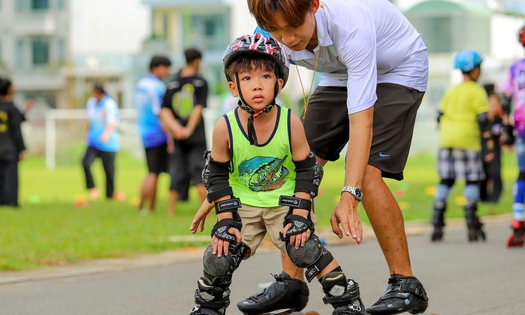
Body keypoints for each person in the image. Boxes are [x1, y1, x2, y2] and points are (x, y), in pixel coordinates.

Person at [246, 0, 429, 314]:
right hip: (338, 73)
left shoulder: (351, 25)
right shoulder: (267, 38)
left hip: (398, 70)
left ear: (314, 5)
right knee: (293, 171)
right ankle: (292, 284)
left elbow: (362, 119)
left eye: (293, 27)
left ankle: (406, 284)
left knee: (368, 176)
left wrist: (349, 194)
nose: (287, 38)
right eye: (276, 30)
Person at [189, 33, 366, 315]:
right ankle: (208, 305)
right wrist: (224, 220)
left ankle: (346, 299)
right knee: (220, 253)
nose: (257, 85)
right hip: (244, 203)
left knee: (303, 246)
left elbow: (307, 170)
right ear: (233, 87)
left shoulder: (289, 122)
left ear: (279, 83)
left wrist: (299, 215)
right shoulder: (225, 127)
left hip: (285, 201)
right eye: (246, 79)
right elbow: (218, 174)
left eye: (265, 77)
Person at [430, 50, 491, 243]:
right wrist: (488, 139)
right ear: (474, 70)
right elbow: (482, 119)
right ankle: (470, 216)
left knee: (446, 179)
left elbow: (439, 115)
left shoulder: (452, 89)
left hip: (447, 140)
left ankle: (438, 217)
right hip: (468, 140)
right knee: (472, 180)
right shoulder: (477, 91)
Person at [160, 48, 208, 216]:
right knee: (200, 172)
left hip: (177, 136)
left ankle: (170, 213)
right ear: (197, 61)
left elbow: (164, 111)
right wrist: (187, 130)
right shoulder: (200, 82)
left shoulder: (172, 82)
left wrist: (176, 129)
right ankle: (207, 212)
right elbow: (198, 108)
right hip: (195, 136)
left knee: (176, 173)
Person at [135, 55, 172, 213]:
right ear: (156, 67)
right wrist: (170, 136)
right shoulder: (157, 87)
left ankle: (141, 205)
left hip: (144, 132)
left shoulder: (141, 84)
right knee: (154, 173)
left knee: (150, 171)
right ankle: (150, 208)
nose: (168, 72)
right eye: (165, 68)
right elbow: (161, 113)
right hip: (158, 134)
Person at [0, 76, 27, 207]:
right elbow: (16, 130)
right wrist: (22, 149)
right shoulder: (11, 108)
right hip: (9, 149)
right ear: (9, 89)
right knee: (10, 177)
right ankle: (11, 202)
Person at [501, 24, 525, 248]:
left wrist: (506, 129)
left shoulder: (516, 68)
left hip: (521, 128)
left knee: (522, 174)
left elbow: (506, 99)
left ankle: (518, 220)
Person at [81, 82, 120, 201]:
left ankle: (109, 196)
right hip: (93, 142)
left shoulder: (109, 104)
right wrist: (86, 132)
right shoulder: (91, 103)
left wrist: (106, 135)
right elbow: (89, 119)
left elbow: (112, 122)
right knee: (85, 163)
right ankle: (93, 188)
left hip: (108, 143)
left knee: (108, 170)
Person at [479, 83, 506, 204]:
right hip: (482, 151)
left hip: (496, 152)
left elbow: (504, 136)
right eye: (492, 103)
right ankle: (482, 198)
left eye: (496, 103)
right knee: (482, 175)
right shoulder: (483, 120)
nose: (494, 106)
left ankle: (495, 199)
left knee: (495, 174)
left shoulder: (499, 120)